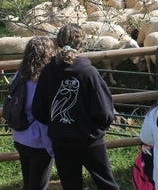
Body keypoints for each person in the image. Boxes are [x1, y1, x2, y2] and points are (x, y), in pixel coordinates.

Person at [32, 24, 118, 189]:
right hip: (89, 139)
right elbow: (105, 112)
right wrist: (95, 129)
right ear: (82, 43)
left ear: (58, 42)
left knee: (71, 185)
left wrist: (56, 124)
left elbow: (38, 108)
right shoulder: (89, 73)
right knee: (106, 184)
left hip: (60, 140)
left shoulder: (48, 71)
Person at [12, 36, 55, 190]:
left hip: (20, 137)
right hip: (39, 141)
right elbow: (44, 115)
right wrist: (52, 149)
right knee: (39, 186)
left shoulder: (20, 74)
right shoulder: (45, 79)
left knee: (29, 182)